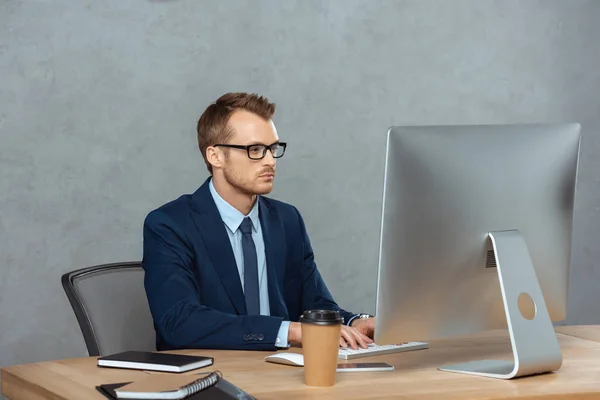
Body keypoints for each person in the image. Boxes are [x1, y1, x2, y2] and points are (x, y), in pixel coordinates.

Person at [142, 92, 375, 352]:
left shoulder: (287, 220)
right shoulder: (170, 225)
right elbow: (179, 322)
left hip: (282, 373)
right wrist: (289, 331)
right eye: (255, 150)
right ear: (215, 156)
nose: (270, 161)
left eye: (273, 148)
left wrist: (356, 322)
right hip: (210, 377)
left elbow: (316, 307)